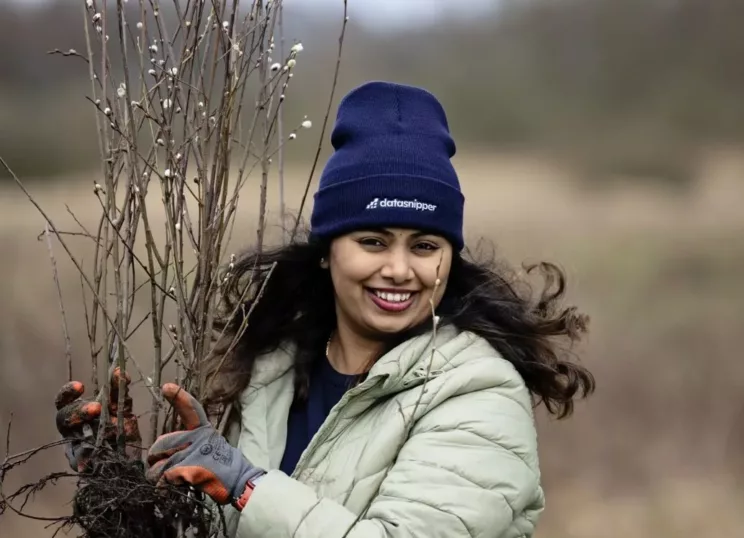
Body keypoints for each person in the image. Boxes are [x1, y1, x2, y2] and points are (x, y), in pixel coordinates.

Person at [55, 80, 595, 537]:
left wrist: (248, 487)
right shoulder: (270, 372)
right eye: (373, 242)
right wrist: (126, 488)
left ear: (450, 260)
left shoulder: (478, 394)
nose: (401, 269)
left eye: (425, 246)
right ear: (326, 251)